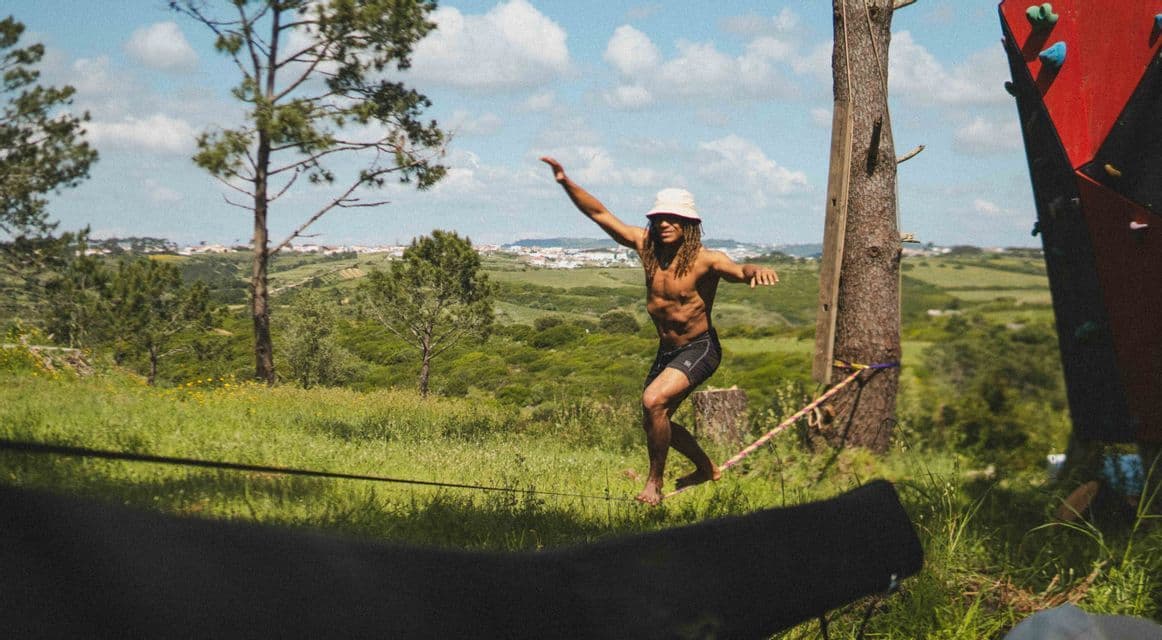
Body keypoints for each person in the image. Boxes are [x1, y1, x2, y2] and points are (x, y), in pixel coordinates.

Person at [541, 157, 779, 505]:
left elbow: (739, 270)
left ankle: (654, 483)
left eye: (673, 218)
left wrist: (756, 270)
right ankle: (706, 468)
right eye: (658, 218)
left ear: (689, 224)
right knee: (654, 417)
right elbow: (600, 214)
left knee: (653, 401)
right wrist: (565, 182)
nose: (664, 223)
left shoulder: (706, 259)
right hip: (667, 350)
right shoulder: (647, 248)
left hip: (699, 347)